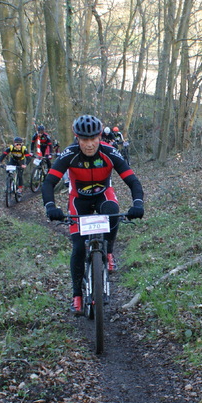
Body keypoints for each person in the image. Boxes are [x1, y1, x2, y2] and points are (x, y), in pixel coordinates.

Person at [43, 114, 145, 315]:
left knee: (112, 211)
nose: (89, 144)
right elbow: (49, 182)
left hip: (103, 195)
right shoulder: (69, 154)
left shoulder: (110, 152)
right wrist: (50, 207)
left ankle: (109, 251)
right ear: (77, 138)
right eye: (84, 139)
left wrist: (138, 204)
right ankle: (77, 295)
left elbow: (132, 180)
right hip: (78, 200)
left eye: (93, 139)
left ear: (100, 137)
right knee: (79, 247)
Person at [30, 125, 57, 192]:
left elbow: (50, 145)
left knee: (47, 159)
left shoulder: (46, 136)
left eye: (41, 132)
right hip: (40, 147)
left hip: (47, 147)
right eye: (39, 132)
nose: (40, 133)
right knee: (39, 158)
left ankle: (49, 171)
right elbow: (32, 143)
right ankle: (39, 170)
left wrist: (50, 154)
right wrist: (31, 152)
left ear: (43, 131)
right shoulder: (35, 135)